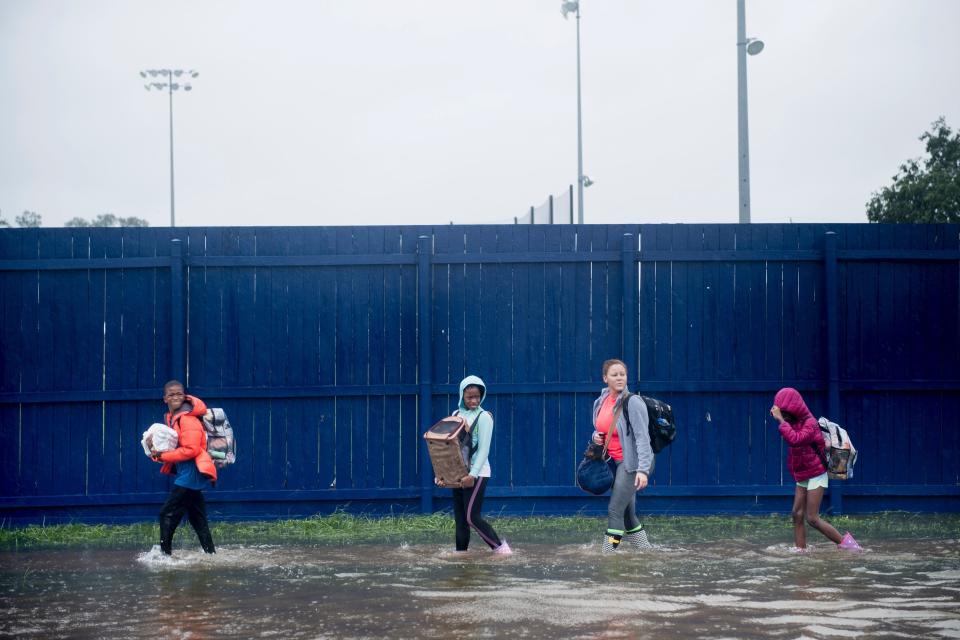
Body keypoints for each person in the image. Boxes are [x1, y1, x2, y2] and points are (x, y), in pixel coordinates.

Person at [771, 387, 861, 552]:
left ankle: (849, 546)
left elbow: (796, 440)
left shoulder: (810, 423)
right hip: (803, 472)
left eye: (785, 412)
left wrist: (781, 422)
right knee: (796, 514)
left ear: (794, 409)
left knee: (812, 518)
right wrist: (784, 420)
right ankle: (801, 551)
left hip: (816, 473)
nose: (783, 416)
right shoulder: (793, 422)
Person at [436, 375, 511, 555]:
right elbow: (446, 448)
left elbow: (484, 449)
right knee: (460, 519)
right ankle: (461, 554)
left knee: (471, 516)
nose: (474, 400)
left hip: (478, 473)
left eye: (477, 396)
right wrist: (441, 474)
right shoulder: (455, 415)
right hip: (457, 472)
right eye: (470, 397)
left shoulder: (485, 417)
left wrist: (473, 474)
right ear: (462, 395)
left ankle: (501, 549)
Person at [591, 359, 655, 554]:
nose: (619, 378)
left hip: (632, 464)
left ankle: (608, 554)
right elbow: (600, 428)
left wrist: (643, 470)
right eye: (614, 374)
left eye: (622, 374)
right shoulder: (601, 401)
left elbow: (643, 438)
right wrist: (595, 436)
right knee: (627, 514)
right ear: (605, 379)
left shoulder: (632, 402)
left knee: (614, 510)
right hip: (614, 463)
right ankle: (645, 552)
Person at [150, 380, 217, 555]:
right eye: (171, 394)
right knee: (197, 519)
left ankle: (165, 556)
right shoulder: (174, 417)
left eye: (179, 393)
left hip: (190, 474)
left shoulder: (186, 418)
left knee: (167, 514)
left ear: (185, 395)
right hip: (188, 473)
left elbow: (191, 450)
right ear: (165, 398)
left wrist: (162, 456)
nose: (176, 397)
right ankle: (211, 555)